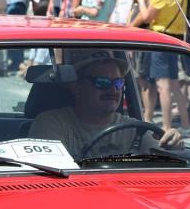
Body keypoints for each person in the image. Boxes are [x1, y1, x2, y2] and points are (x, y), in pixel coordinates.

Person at [29, 49, 182, 158]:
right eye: (102, 82)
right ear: (77, 87)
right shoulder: (50, 123)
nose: (113, 90)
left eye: (118, 82)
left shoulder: (135, 129)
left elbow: (160, 155)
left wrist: (171, 145)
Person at [134, 0, 190, 132]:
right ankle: (186, 123)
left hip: (160, 39)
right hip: (176, 38)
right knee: (174, 83)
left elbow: (146, 17)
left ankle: (166, 126)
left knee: (162, 86)